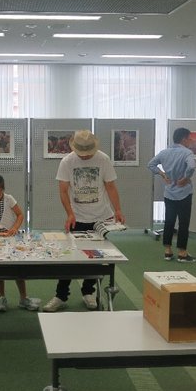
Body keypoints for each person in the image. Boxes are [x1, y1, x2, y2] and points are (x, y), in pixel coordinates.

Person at [42, 130, 125, 313]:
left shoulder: (103, 159)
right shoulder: (67, 162)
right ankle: (61, 295)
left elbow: (110, 186)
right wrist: (69, 213)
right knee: (70, 257)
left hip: (101, 217)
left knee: (95, 258)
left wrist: (118, 209)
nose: (86, 155)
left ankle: (89, 291)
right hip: (77, 216)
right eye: (83, 153)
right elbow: (63, 190)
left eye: (89, 152)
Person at [0, 173, 39, 312]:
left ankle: (23, 298)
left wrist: (15, 228)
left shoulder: (8, 199)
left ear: (3, 190)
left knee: (18, 269)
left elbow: (20, 215)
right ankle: (2, 298)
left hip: (12, 239)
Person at [148, 127, 196, 263]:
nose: (190, 141)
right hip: (184, 193)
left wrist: (162, 174)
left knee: (169, 221)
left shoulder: (164, 152)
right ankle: (182, 252)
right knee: (183, 222)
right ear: (183, 139)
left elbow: (151, 164)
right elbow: (192, 167)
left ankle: (168, 251)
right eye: (189, 138)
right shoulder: (187, 153)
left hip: (169, 192)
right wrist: (186, 178)